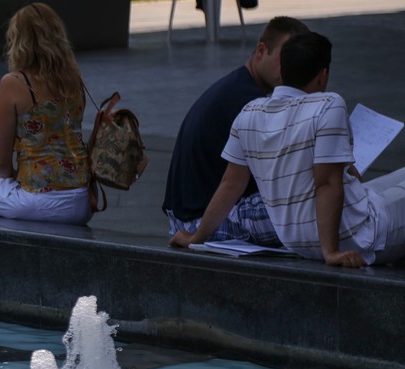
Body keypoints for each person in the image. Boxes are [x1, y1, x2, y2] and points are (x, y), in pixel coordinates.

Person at [170, 32, 405, 267]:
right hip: (363, 233)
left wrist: (196, 237)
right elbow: (326, 184)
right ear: (323, 76)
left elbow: (229, 184)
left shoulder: (249, 113)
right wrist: (330, 252)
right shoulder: (328, 106)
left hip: (301, 242)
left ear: (281, 71)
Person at [162, 17, 309, 245]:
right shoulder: (248, 102)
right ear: (261, 50)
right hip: (198, 221)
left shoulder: (239, 87)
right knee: (312, 204)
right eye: (285, 59)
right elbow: (272, 179)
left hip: (189, 216)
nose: (292, 69)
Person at [0, 3, 92, 224]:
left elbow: (2, 163)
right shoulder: (75, 78)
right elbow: (54, 127)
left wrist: (15, 176)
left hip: (39, 201)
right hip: (82, 199)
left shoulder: (14, 81)